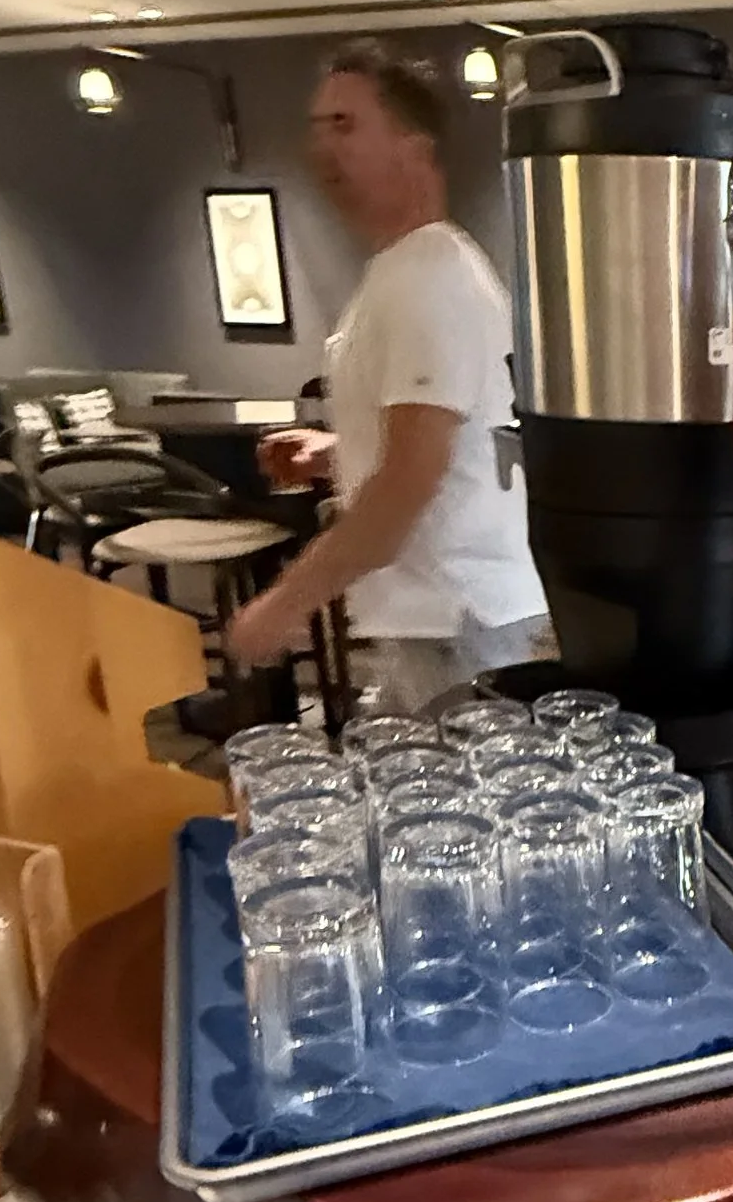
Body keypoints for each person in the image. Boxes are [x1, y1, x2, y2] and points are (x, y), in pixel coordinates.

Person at [225, 40, 547, 711]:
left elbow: (408, 482)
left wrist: (285, 602)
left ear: (413, 144)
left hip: (454, 619)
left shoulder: (430, 278)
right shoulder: (403, 270)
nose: (323, 148)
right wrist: (338, 454)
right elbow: (450, 441)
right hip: (437, 618)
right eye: (317, 128)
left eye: (345, 124)